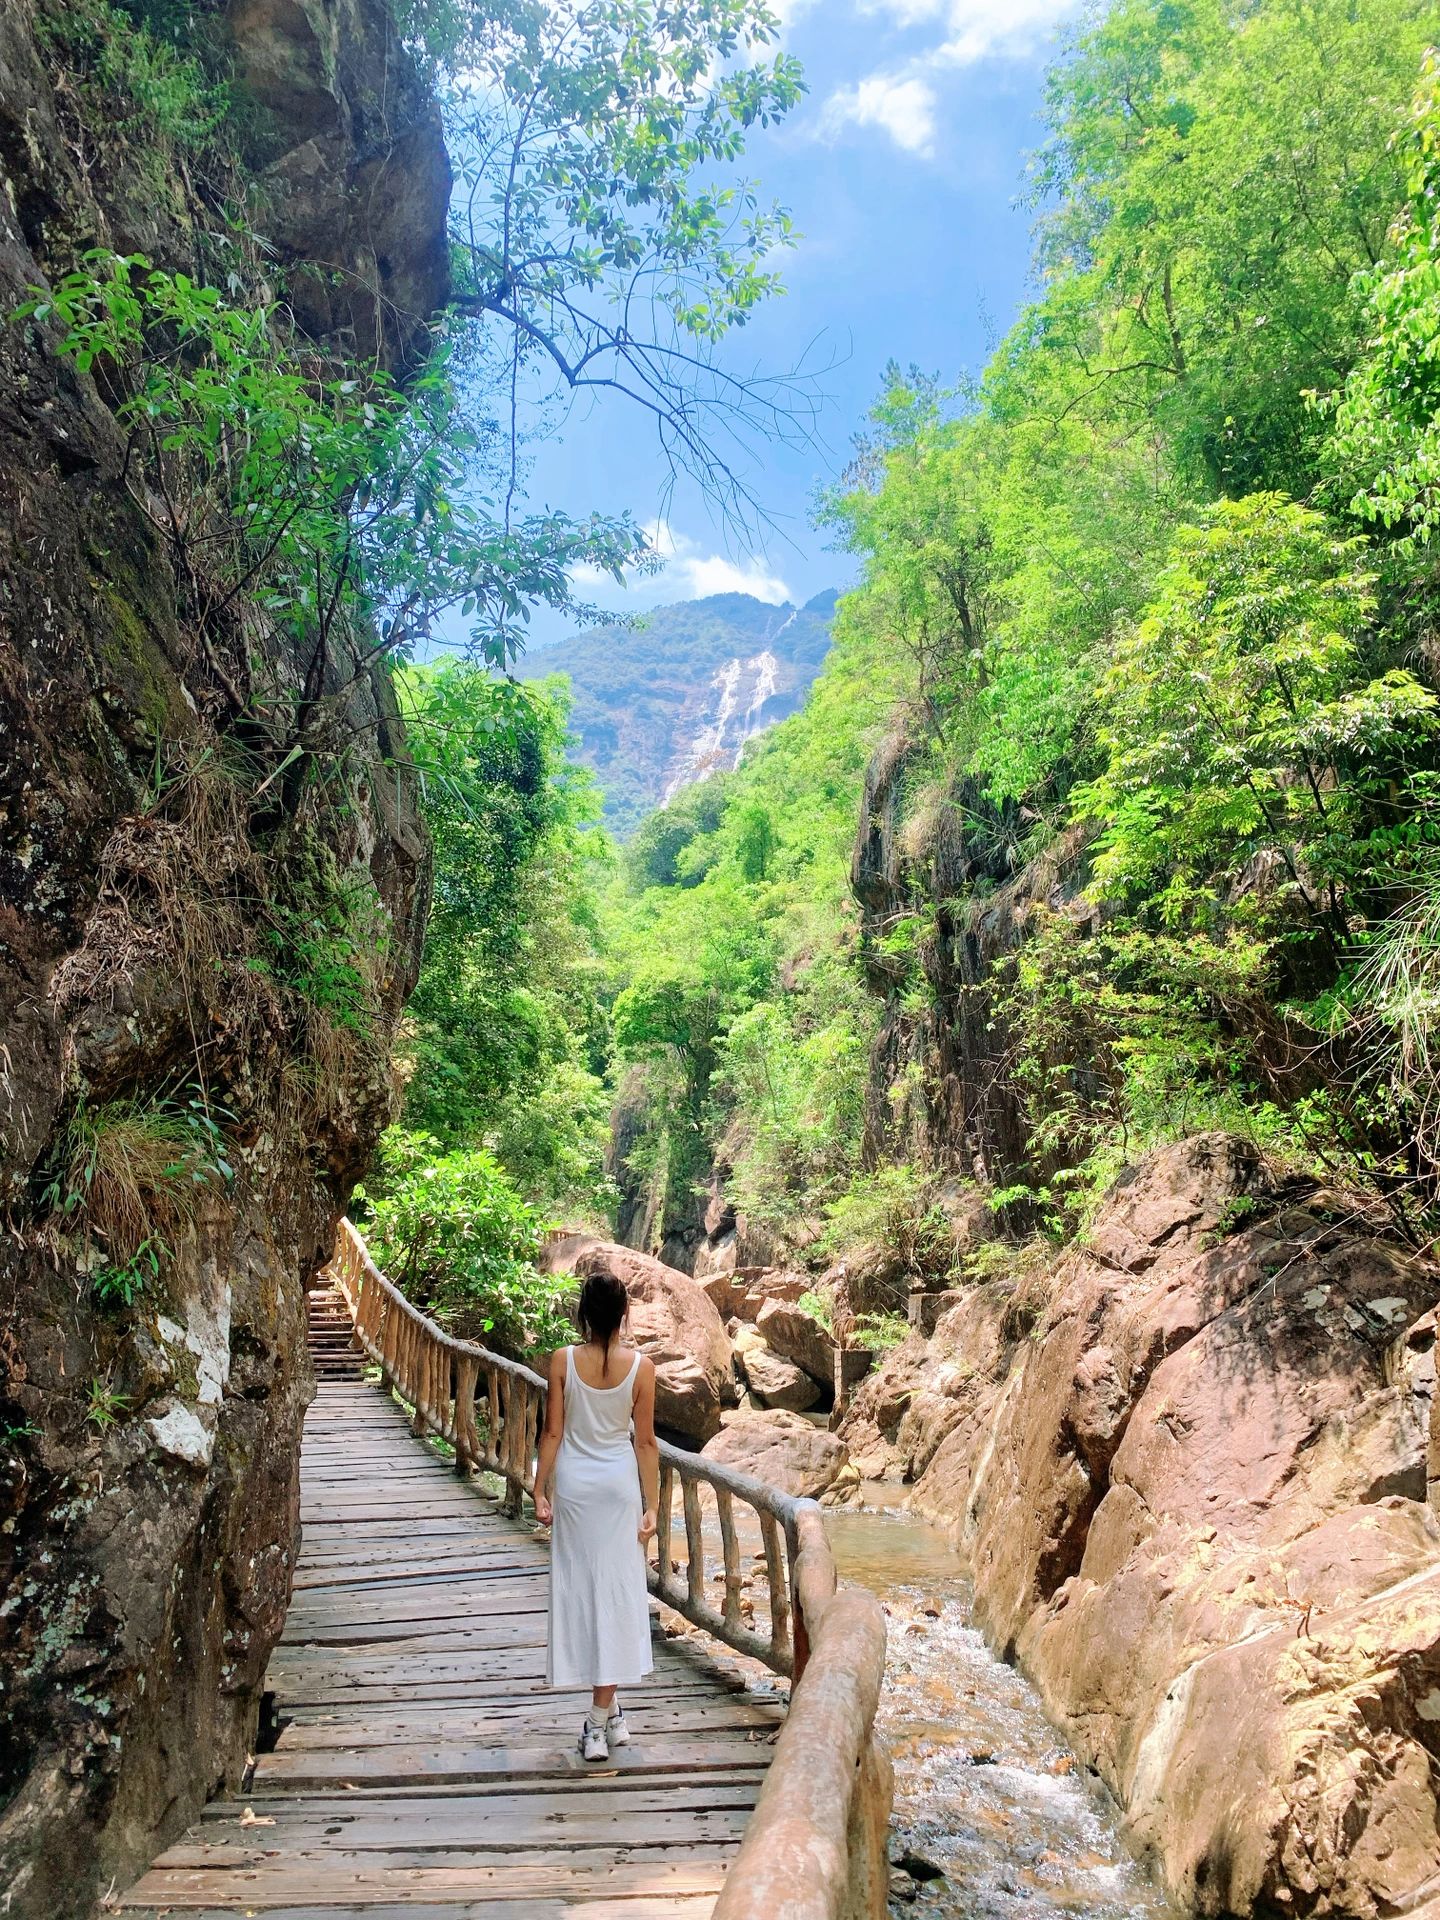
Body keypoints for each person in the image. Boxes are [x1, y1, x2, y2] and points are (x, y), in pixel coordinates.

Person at [534, 1269, 659, 1761]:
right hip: (617, 1488)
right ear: (624, 1314)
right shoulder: (642, 1368)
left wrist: (540, 1488)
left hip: (576, 1490)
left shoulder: (562, 1360)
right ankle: (603, 1719)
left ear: (583, 1313)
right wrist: (652, 1505)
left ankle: (600, 1717)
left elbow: (551, 1433)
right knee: (615, 1592)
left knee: (584, 1591)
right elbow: (645, 1442)